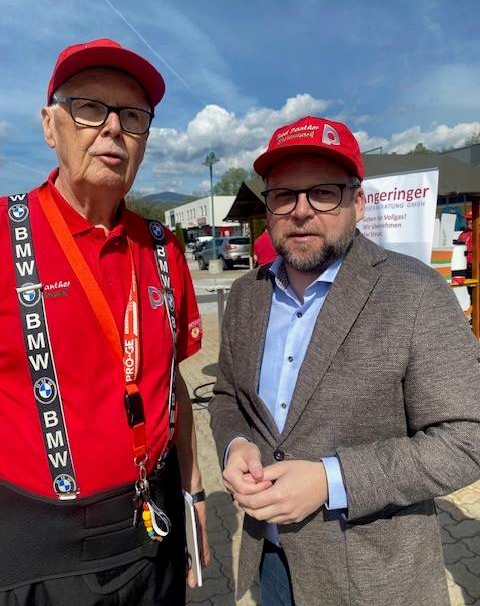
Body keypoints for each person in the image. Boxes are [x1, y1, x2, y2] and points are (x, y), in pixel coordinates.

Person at [209, 115, 480, 606]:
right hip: (272, 561)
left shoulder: (415, 292)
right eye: (284, 195)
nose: (301, 211)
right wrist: (235, 445)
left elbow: (468, 438)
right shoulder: (247, 295)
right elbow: (227, 395)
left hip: (374, 581)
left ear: (358, 202)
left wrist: (332, 479)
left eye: (323, 193)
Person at [0, 38, 209, 605]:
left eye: (133, 116)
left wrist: (193, 490)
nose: (113, 128)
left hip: (153, 530)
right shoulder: (3, 234)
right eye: (90, 108)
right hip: (40, 551)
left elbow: (172, 384)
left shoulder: (164, 248)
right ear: (50, 125)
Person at [458, 210, 473, 277]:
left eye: (472, 219)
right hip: (465, 266)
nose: (470, 221)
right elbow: (458, 248)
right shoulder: (463, 234)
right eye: (468, 219)